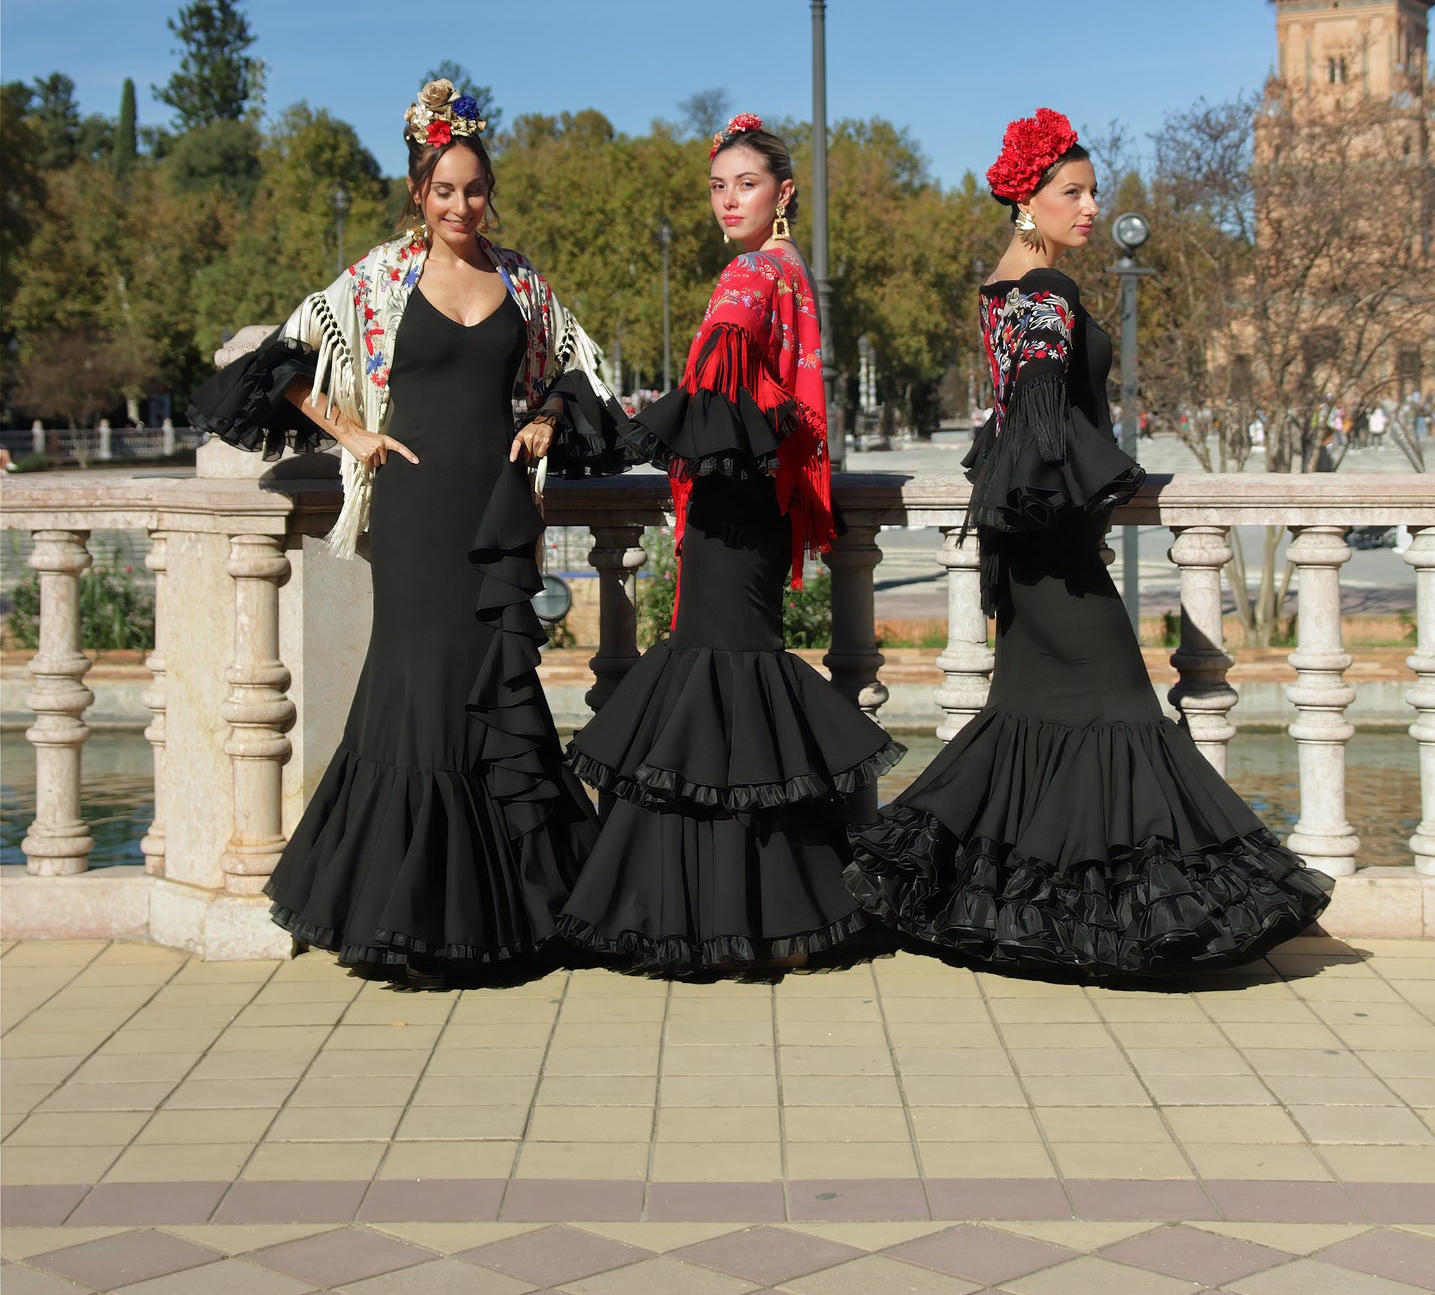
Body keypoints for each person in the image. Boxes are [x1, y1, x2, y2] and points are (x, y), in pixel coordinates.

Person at [847, 106, 1331, 977]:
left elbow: (1020, 409)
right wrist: (1066, 454)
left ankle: (1005, 910)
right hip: (1052, 550)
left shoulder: (1004, 283)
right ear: (1025, 200)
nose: (1091, 207)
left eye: (1093, 191)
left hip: (1026, 544)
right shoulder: (1044, 289)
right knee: (1121, 714)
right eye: (1072, 191)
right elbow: (1036, 400)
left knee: (1028, 721)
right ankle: (1130, 923)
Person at [189, 78, 623, 983]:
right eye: (443, 190)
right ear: (418, 193)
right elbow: (277, 362)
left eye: (474, 189)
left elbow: (577, 372)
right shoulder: (379, 278)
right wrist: (350, 432)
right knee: (417, 688)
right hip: (416, 513)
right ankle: (406, 915)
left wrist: (545, 418)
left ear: (488, 190)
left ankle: (510, 911)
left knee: (490, 682)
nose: (461, 206)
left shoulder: (520, 279)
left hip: (495, 509)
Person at [559, 113, 902, 971]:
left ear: (782, 193)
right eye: (717, 187)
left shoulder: (751, 273)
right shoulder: (791, 271)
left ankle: (709, 914)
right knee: (728, 688)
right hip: (756, 505)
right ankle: (757, 909)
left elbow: (723, 357)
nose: (727, 200)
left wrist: (632, 422)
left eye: (745, 184)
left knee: (719, 686)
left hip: (732, 510)